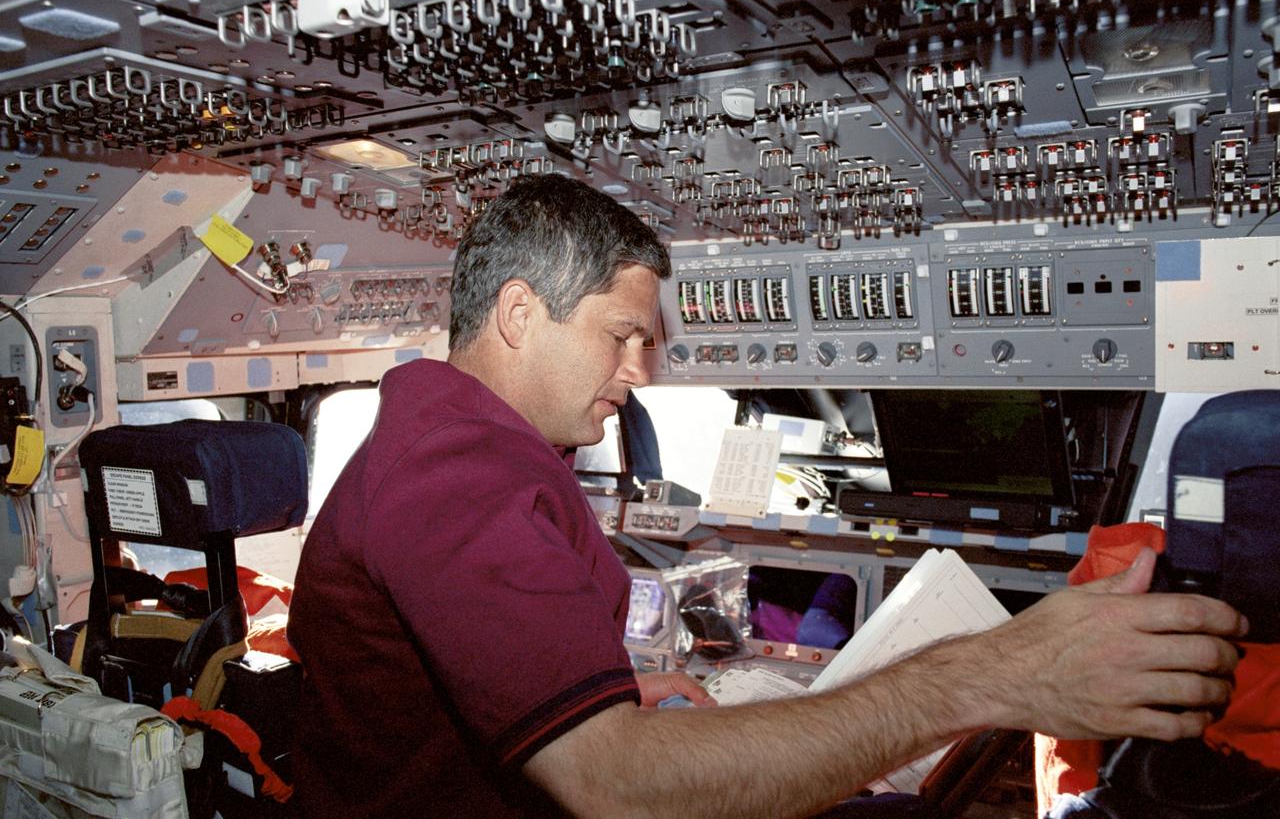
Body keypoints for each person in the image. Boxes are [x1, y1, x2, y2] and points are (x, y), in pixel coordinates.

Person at [289, 174, 1247, 819]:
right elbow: (608, 785)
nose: (638, 369)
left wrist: (610, 694)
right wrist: (991, 677)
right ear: (518, 314)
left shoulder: (453, 448)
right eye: (621, 335)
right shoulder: (456, 474)